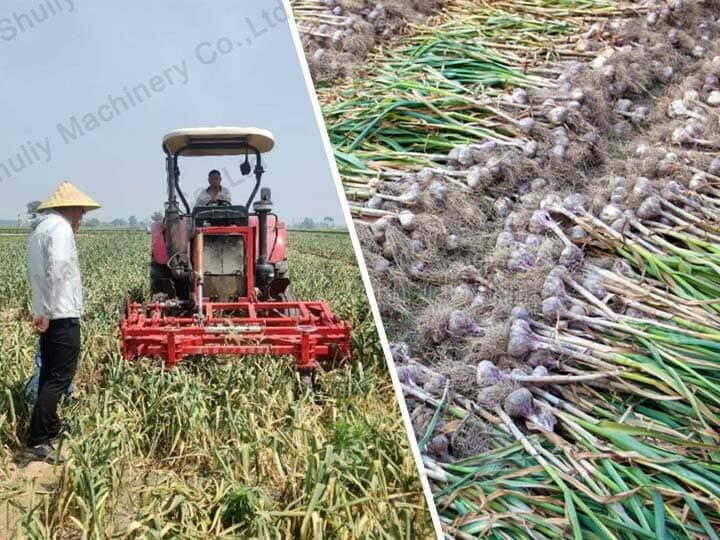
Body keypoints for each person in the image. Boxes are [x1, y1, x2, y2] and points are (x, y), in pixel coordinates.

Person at [25, 181, 100, 463]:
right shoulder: (61, 229)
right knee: (59, 377)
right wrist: (48, 310)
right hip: (62, 313)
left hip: (48, 312)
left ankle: (50, 427)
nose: (82, 217)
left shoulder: (40, 229)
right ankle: (39, 440)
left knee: (48, 374)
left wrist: (41, 310)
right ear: (70, 209)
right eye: (81, 211)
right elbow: (56, 269)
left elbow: (38, 273)